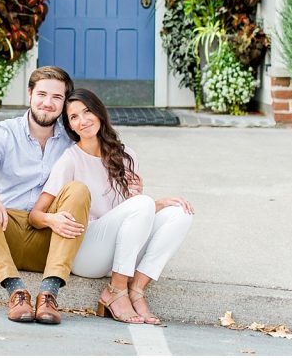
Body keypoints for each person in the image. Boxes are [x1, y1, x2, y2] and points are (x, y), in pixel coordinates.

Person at [30, 88, 194, 325]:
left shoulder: (126, 155)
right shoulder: (70, 160)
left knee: (181, 214)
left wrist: (160, 204)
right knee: (144, 203)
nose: (83, 120)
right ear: (70, 127)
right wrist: (52, 220)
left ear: (99, 113)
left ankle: (136, 289)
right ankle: (116, 291)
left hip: (119, 252)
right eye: (74, 117)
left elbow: (133, 214)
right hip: (87, 252)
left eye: (87, 112)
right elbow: (36, 214)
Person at [0, 66, 91, 325]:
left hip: (49, 239)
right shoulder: (5, 133)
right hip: (3, 232)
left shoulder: (71, 143)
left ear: (63, 103)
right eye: (42, 94)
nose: (48, 103)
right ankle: (15, 289)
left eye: (57, 98)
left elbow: (103, 181)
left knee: (79, 189)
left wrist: (151, 205)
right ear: (30, 94)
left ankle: (49, 292)